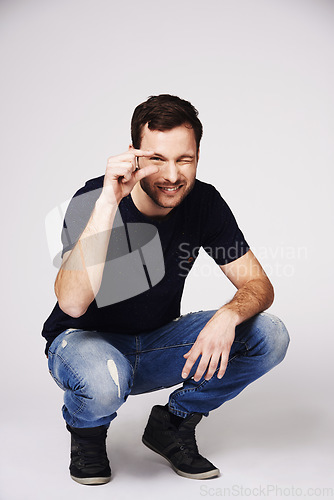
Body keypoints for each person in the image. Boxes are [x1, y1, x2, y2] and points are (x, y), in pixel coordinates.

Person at [42, 94, 289, 485]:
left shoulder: (204, 203)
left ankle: (171, 425)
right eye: (157, 158)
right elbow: (72, 304)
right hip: (84, 343)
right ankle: (87, 435)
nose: (172, 175)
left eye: (184, 159)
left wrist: (229, 315)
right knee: (102, 379)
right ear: (134, 155)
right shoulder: (93, 199)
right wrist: (110, 200)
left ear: (197, 156)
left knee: (269, 334)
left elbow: (258, 284)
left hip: (156, 342)